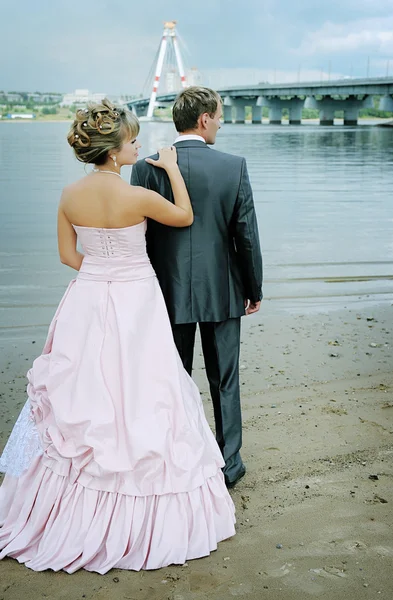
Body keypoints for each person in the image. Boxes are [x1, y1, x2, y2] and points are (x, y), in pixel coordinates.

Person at [0, 99, 235, 574]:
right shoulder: (138, 197)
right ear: (113, 153)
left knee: (84, 389)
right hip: (136, 298)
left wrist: (103, 274)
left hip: (87, 297)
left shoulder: (68, 194)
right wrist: (170, 168)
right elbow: (185, 216)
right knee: (144, 387)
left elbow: (69, 256)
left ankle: (62, 502)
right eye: (132, 142)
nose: (138, 147)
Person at [131, 87, 263, 488]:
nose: (221, 122)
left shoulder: (146, 168)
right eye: (219, 116)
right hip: (222, 290)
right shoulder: (233, 166)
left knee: (172, 377)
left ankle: (174, 456)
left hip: (165, 293)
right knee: (224, 378)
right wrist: (253, 287)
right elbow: (246, 236)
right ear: (204, 119)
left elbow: (142, 236)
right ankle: (230, 464)